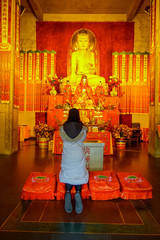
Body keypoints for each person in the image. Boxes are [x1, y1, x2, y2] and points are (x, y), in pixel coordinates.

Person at [59, 108, 88, 214]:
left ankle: (67, 193)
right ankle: (78, 193)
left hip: (67, 154)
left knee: (68, 172)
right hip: (78, 154)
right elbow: (83, 138)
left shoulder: (62, 128)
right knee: (79, 172)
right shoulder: (83, 128)